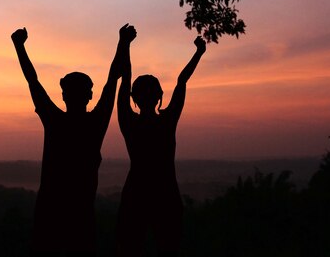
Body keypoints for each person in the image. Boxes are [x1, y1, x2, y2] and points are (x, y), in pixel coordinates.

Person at [11, 24, 137, 256]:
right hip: (79, 213)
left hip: (52, 211)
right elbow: (112, 81)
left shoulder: (55, 119)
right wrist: (123, 43)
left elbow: (33, 81)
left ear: (63, 95)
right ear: (89, 95)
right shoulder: (94, 122)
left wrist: (19, 46)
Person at [117, 35, 207, 257]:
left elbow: (125, 79)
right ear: (159, 97)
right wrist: (198, 53)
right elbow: (181, 81)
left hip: (135, 193)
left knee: (131, 249)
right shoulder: (166, 122)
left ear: (134, 99)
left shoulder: (129, 122)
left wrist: (125, 44)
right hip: (165, 193)